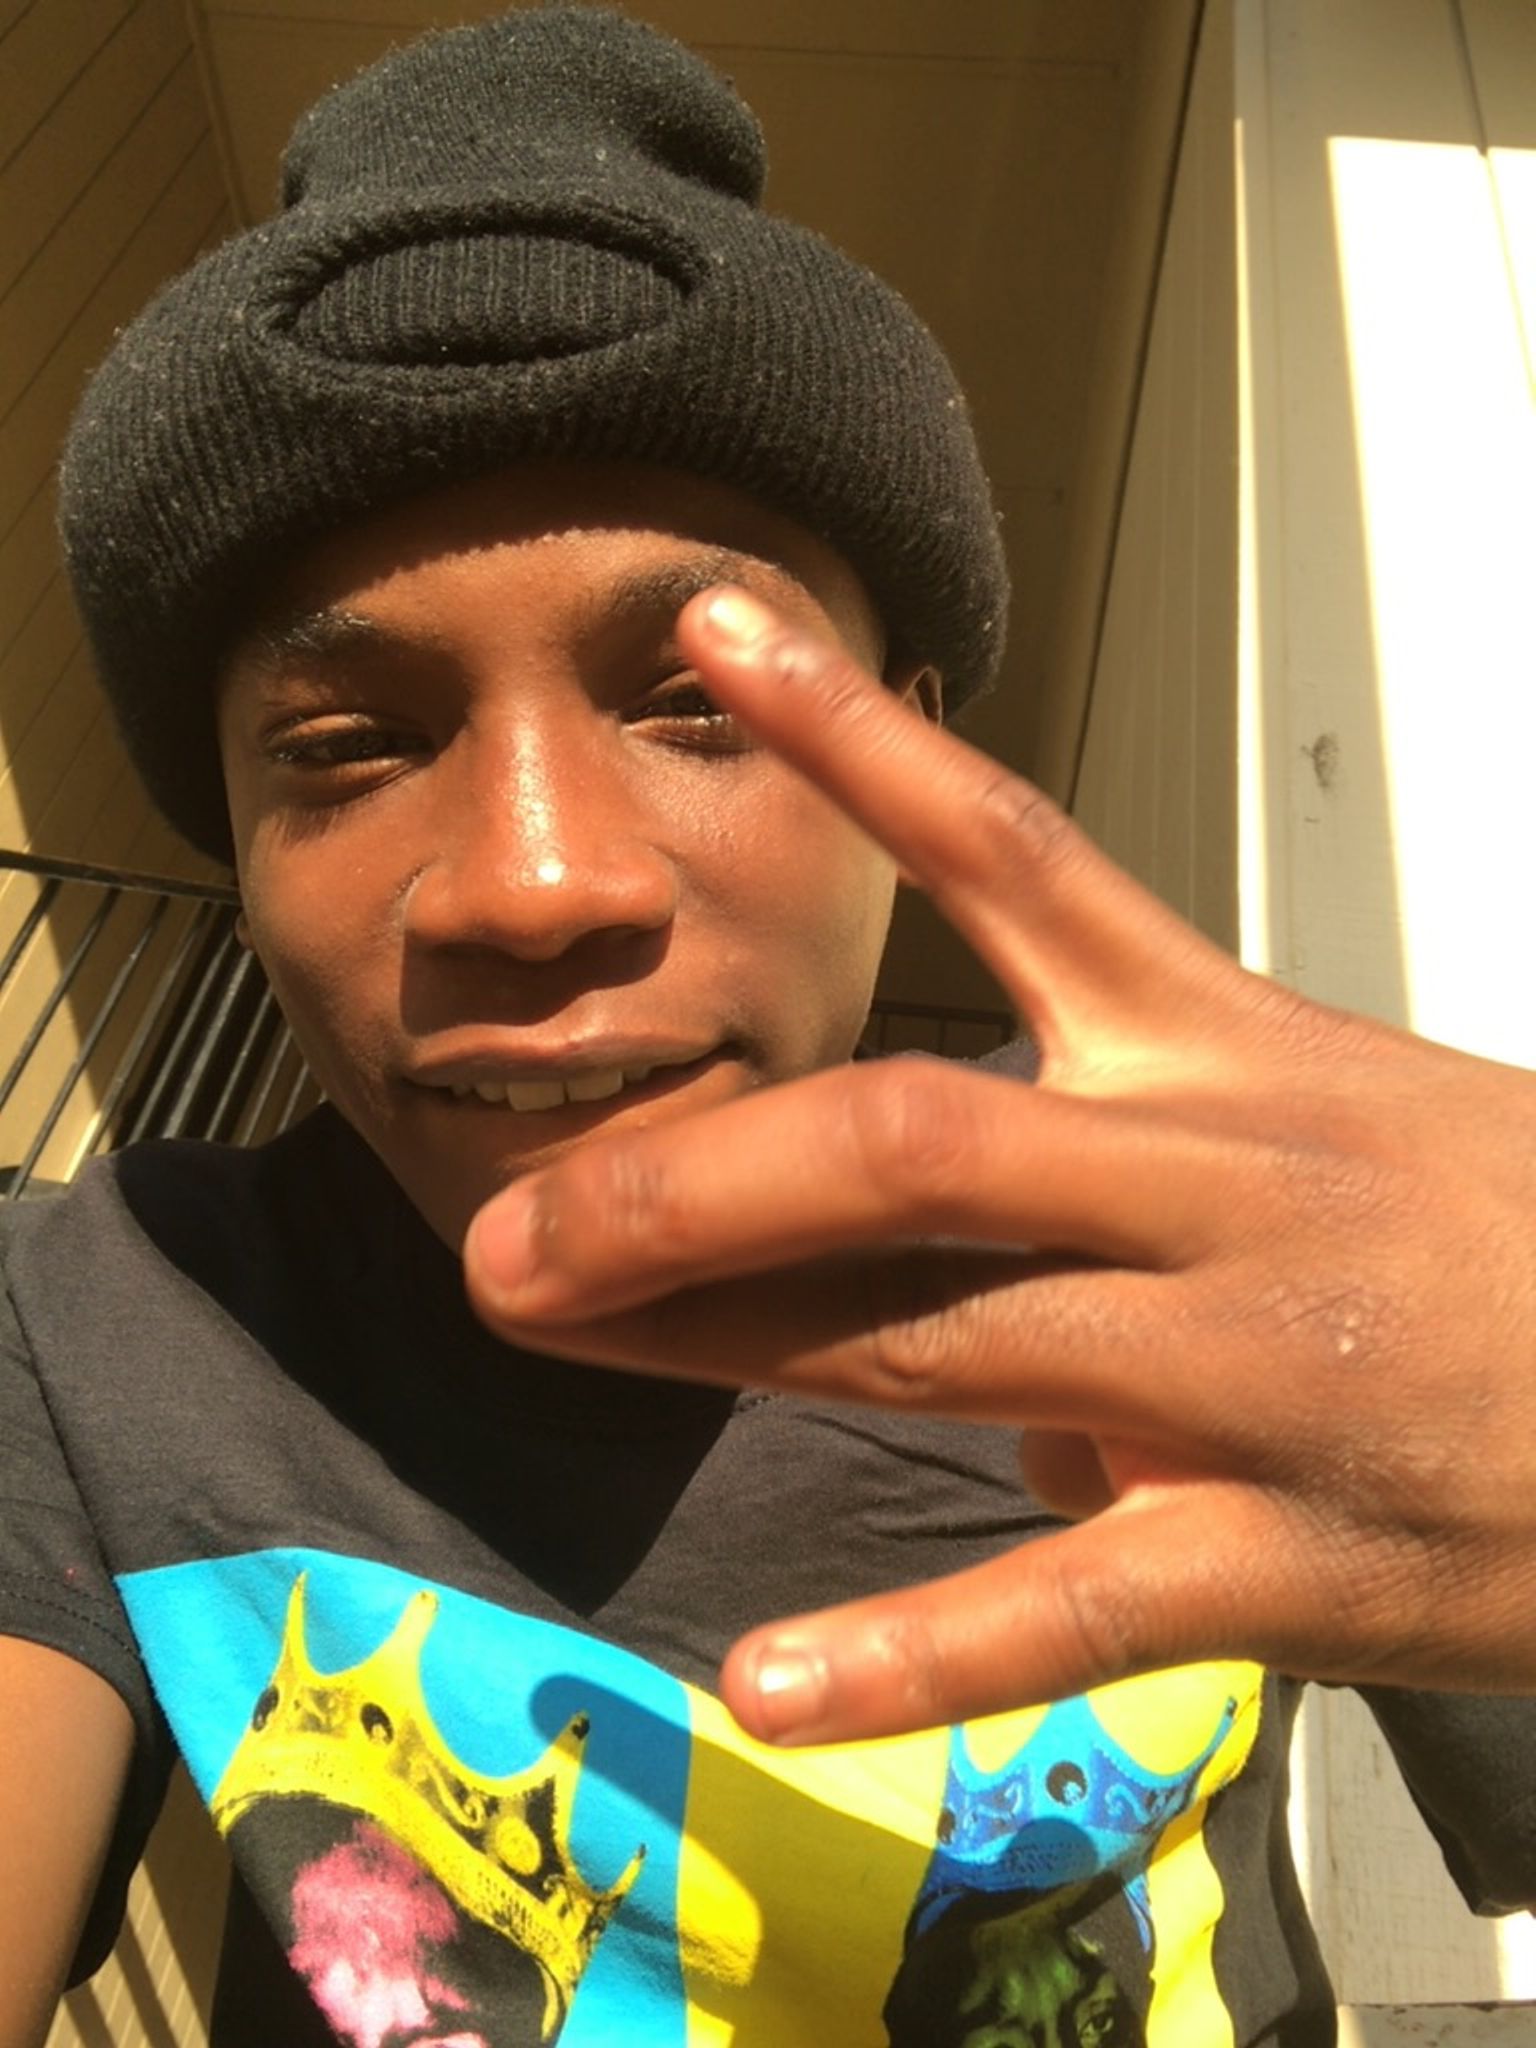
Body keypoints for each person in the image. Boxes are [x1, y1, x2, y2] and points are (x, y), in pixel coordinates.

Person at [3, 10, 1534, 2047]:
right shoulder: (92, 1321)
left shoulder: (1206, 1231)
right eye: (347, 745)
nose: (533, 880)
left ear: (910, 740)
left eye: (701, 701)